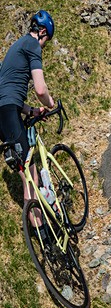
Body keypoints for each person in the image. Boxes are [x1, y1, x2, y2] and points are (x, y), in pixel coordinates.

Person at [0, 11, 56, 210]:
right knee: (31, 175)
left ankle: (37, 228)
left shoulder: (15, 47)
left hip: (5, 113)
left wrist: (31, 111)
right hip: (8, 111)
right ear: (41, 32)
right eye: (46, 41)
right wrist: (50, 103)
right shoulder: (32, 45)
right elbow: (40, 90)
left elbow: (8, 98)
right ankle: (42, 232)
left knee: (25, 172)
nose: (43, 46)